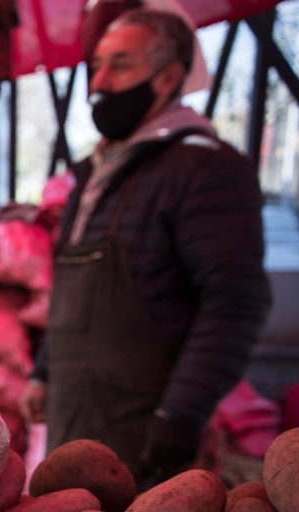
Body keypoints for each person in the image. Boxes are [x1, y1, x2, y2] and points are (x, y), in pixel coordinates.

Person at [18, 8, 271, 487]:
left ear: (168, 77)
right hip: (74, 408)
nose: (102, 81)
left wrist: (179, 413)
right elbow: (75, 289)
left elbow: (236, 302)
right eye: (97, 66)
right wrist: (45, 370)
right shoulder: (96, 172)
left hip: (143, 428)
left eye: (122, 64)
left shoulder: (205, 168)